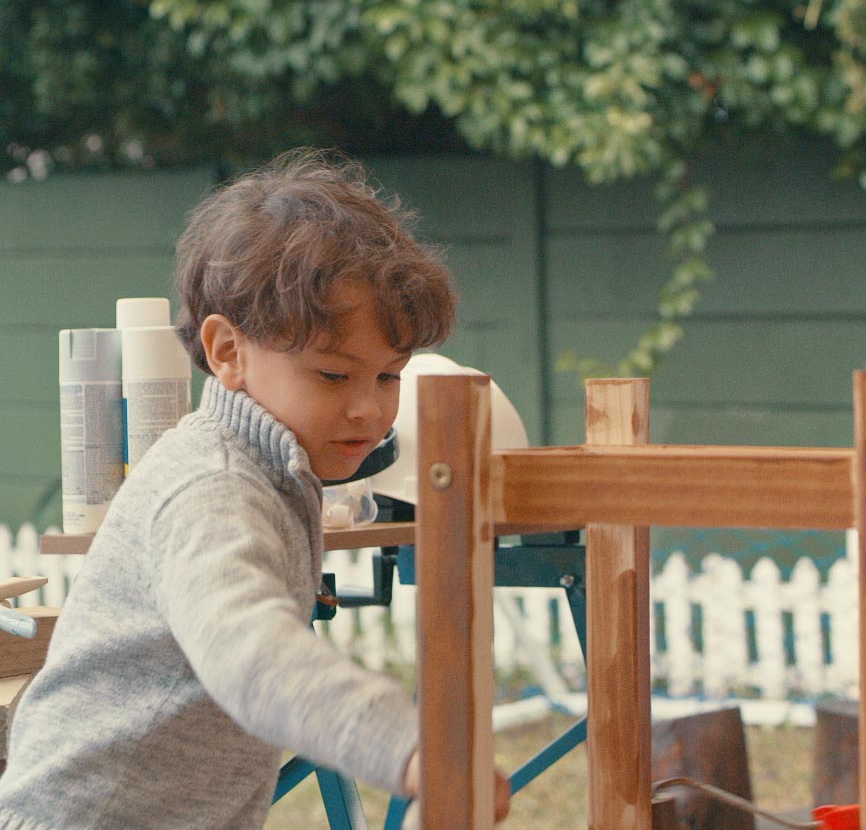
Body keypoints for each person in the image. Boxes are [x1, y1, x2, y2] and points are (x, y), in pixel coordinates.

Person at [0, 149, 510, 828]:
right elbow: (250, 653)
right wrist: (408, 744)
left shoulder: (273, 470)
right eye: (334, 376)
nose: (370, 410)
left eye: (389, 376)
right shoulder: (213, 485)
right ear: (227, 352)